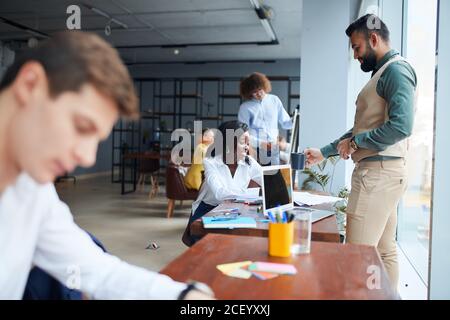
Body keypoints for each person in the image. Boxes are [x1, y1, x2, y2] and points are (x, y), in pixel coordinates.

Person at [0, 31, 213, 300]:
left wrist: (183, 296)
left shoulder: (32, 191)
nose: (87, 158)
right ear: (30, 85)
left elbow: (97, 271)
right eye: (81, 126)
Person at [304, 14, 417, 291]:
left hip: (377, 176)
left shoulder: (395, 70)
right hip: (384, 173)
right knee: (383, 250)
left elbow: (401, 126)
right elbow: (362, 128)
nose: (355, 55)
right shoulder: (385, 72)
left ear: (374, 39)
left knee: (355, 255)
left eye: (357, 48)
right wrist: (325, 152)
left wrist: (355, 144)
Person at [182, 121, 262, 246]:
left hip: (234, 210)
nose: (247, 146)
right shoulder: (210, 162)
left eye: (248, 142)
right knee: (207, 248)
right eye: (242, 142)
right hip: (209, 209)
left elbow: (269, 181)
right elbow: (220, 194)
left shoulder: (249, 163)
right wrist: (248, 194)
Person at [238, 72, 293, 165]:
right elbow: (242, 134)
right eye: (254, 92)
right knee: (258, 177)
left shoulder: (274, 100)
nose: (259, 93)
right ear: (249, 93)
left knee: (274, 175)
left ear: (264, 86)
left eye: (260, 89)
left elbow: (286, 123)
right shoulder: (245, 107)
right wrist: (261, 143)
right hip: (255, 149)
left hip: (273, 147)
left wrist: (297, 119)